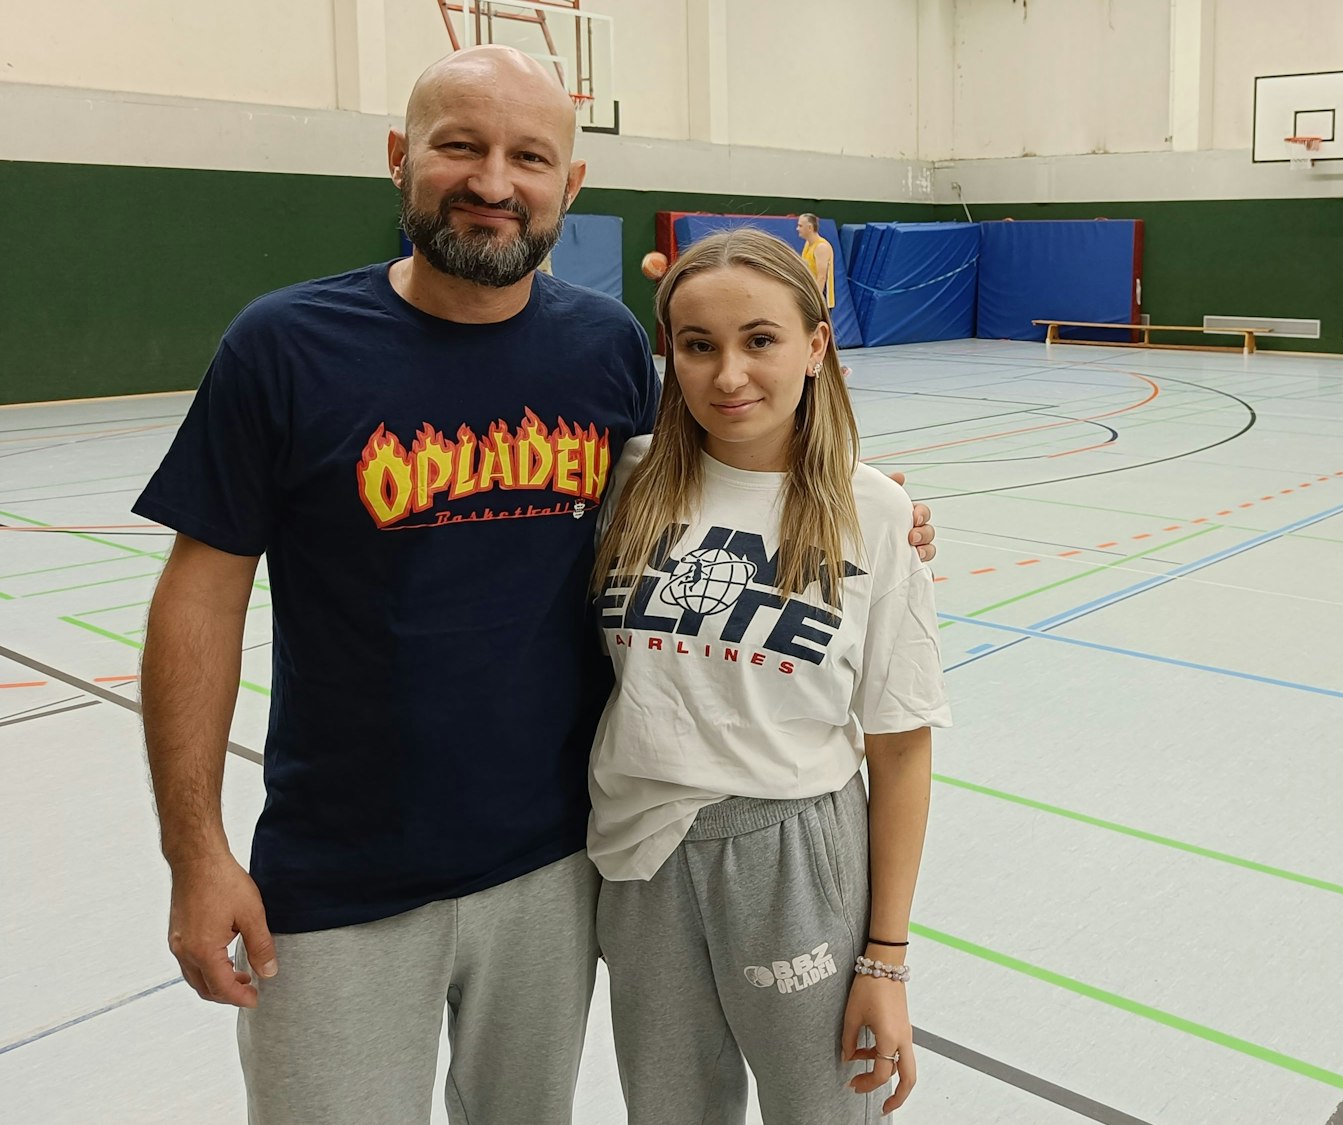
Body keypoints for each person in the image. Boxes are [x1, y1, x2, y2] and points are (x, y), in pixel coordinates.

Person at [133, 46, 935, 1124]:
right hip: (338, 876)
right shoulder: (286, 347)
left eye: (528, 156)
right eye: (458, 145)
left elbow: (732, 451)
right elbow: (200, 596)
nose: (492, 182)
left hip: (561, 866)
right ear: (396, 159)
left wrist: (871, 508)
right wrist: (195, 852)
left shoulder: (601, 349)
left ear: (571, 185)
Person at [590, 228, 948, 1122]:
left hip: (793, 854)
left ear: (817, 345)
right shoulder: (625, 482)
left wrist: (886, 960)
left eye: (760, 339)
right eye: (698, 346)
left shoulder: (873, 512)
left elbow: (900, 752)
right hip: (641, 856)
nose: (728, 374)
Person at [796, 212, 837, 309]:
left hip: (821, 299)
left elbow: (821, 277)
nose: (797, 229)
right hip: (810, 294)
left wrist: (816, 301)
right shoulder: (808, 244)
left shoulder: (821, 247)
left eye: (800, 226)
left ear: (810, 227)